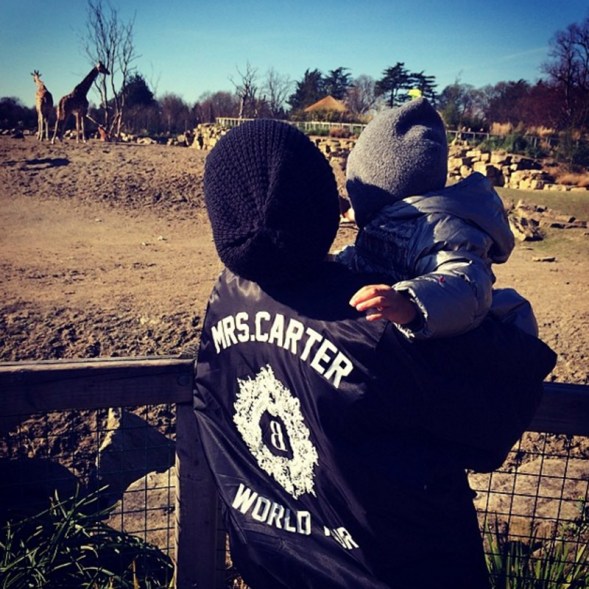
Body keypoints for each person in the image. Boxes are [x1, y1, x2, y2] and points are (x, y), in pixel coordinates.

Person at [193, 119, 556, 589]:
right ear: (322, 209)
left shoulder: (224, 299)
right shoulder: (373, 322)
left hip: (274, 563)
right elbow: (500, 413)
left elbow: (208, 400)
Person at [339, 97, 538, 339]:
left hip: (444, 333)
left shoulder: (440, 228)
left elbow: (466, 283)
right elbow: (366, 258)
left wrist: (409, 303)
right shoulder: (382, 222)